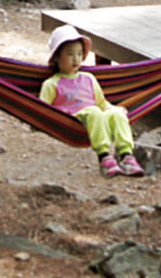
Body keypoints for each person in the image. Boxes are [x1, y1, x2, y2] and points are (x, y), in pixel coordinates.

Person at [39, 24, 143, 178]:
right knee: (93, 111)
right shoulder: (52, 84)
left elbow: (102, 104)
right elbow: (42, 110)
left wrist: (115, 109)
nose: (76, 59)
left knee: (117, 114)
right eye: (70, 54)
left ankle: (126, 155)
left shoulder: (88, 79)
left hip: (97, 120)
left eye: (80, 54)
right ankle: (104, 157)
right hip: (71, 122)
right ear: (56, 57)